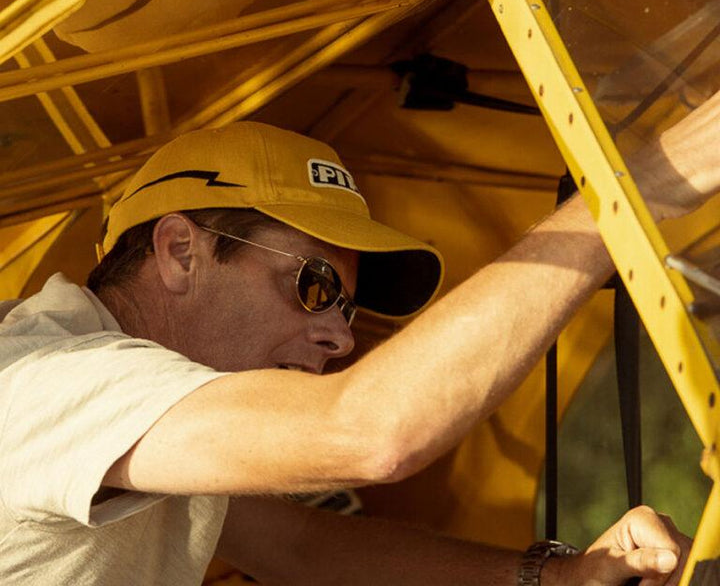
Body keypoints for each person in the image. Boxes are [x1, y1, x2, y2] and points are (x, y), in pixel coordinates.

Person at [3, 86, 719, 586]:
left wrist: (558, 577)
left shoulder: (161, 415)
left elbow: (303, 550)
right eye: (312, 285)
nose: (340, 339)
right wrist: (646, 186)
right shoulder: (48, 378)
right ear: (180, 253)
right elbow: (370, 433)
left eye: (345, 308)